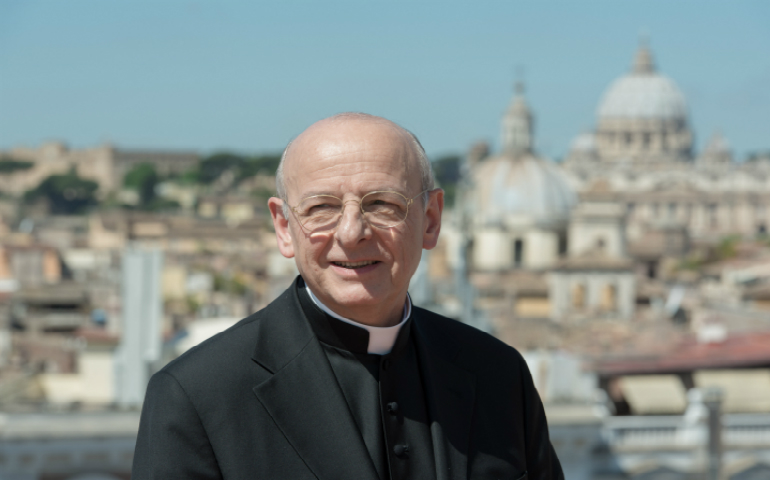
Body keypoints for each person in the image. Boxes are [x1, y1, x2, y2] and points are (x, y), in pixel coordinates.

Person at [132, 113, 564, 480]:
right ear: (284, 227)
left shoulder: (497, 374)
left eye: (383, 204)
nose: (352, 233)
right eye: (321, 208)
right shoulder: (195, 395)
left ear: (431, 220)